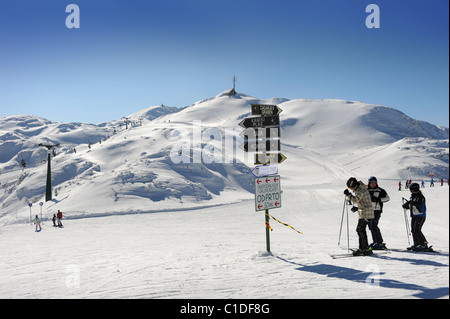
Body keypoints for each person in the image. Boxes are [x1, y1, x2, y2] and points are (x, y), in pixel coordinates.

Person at [344, 177, 375, 256]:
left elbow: (355, 200)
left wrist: (348, 195)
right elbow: (361, 201)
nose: (351, 189)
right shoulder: (360, 188)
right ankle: (364, 248)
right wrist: (357, 207)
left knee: (360, 230)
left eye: (351, 187)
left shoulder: (360, 189)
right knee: (360, 230)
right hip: (365, 212)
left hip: (366, 213)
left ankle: (364, 248)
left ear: (353, 184)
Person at [402, 183, 429, 251]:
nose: (411, 191)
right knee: (413, 230)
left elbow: (418, 204)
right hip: (414, 215)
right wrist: (407, 206)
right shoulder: (413, 197)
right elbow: (413, 205)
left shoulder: (420, 197)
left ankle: (423, 244)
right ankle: (417, 244)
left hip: (420, 216)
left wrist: (410, 202)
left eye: (412, 190)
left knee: (417, 229)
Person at [367, 176, 390, 250]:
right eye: (371, 182)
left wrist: (378, 199)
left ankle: (379, 242)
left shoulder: (380, 190)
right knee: (370, 226)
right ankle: (376, 241)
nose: (373, 184)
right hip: (368, 210)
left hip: (377, 210)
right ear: (369, 183)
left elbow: (387, 198)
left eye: (374, 182)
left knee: (373, 224)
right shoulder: (366, 190)